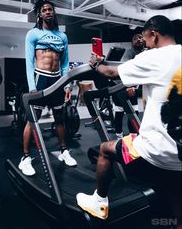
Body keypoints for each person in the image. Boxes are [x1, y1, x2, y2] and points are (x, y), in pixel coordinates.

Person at [76, 15, 182, 229]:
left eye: (145, 39)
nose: (145, 44)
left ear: (154, 34)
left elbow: (111, 72)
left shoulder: (155, 57)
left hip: (158, 152)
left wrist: (96, 63)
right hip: (179, 153)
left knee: (106, 149)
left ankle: (99, 203)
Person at [18, 0, 77, 176]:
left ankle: (64, 151)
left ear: (54, 12)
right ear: (39, 14)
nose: (48, 12)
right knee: (33, 120)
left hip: (57, 80)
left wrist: (68, 85)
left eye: (50, 9)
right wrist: (32, 87)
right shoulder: (33, 34)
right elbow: (29, 62)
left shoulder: (62, 36)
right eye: (44, 10)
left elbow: (65, 63)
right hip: (40, 78)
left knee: (59, 118)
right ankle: (25, 157)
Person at [112, 33, 145, 138]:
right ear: (132, 43)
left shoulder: (144, 54)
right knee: (119, 113)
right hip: (121, 87)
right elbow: (125, 71)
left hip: (133, 88)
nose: (139, 40)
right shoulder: (129, 53)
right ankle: (119, 137)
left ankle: (133, 137)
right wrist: (128, 85)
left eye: (140, 38)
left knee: (133, 113)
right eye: (136, 38)